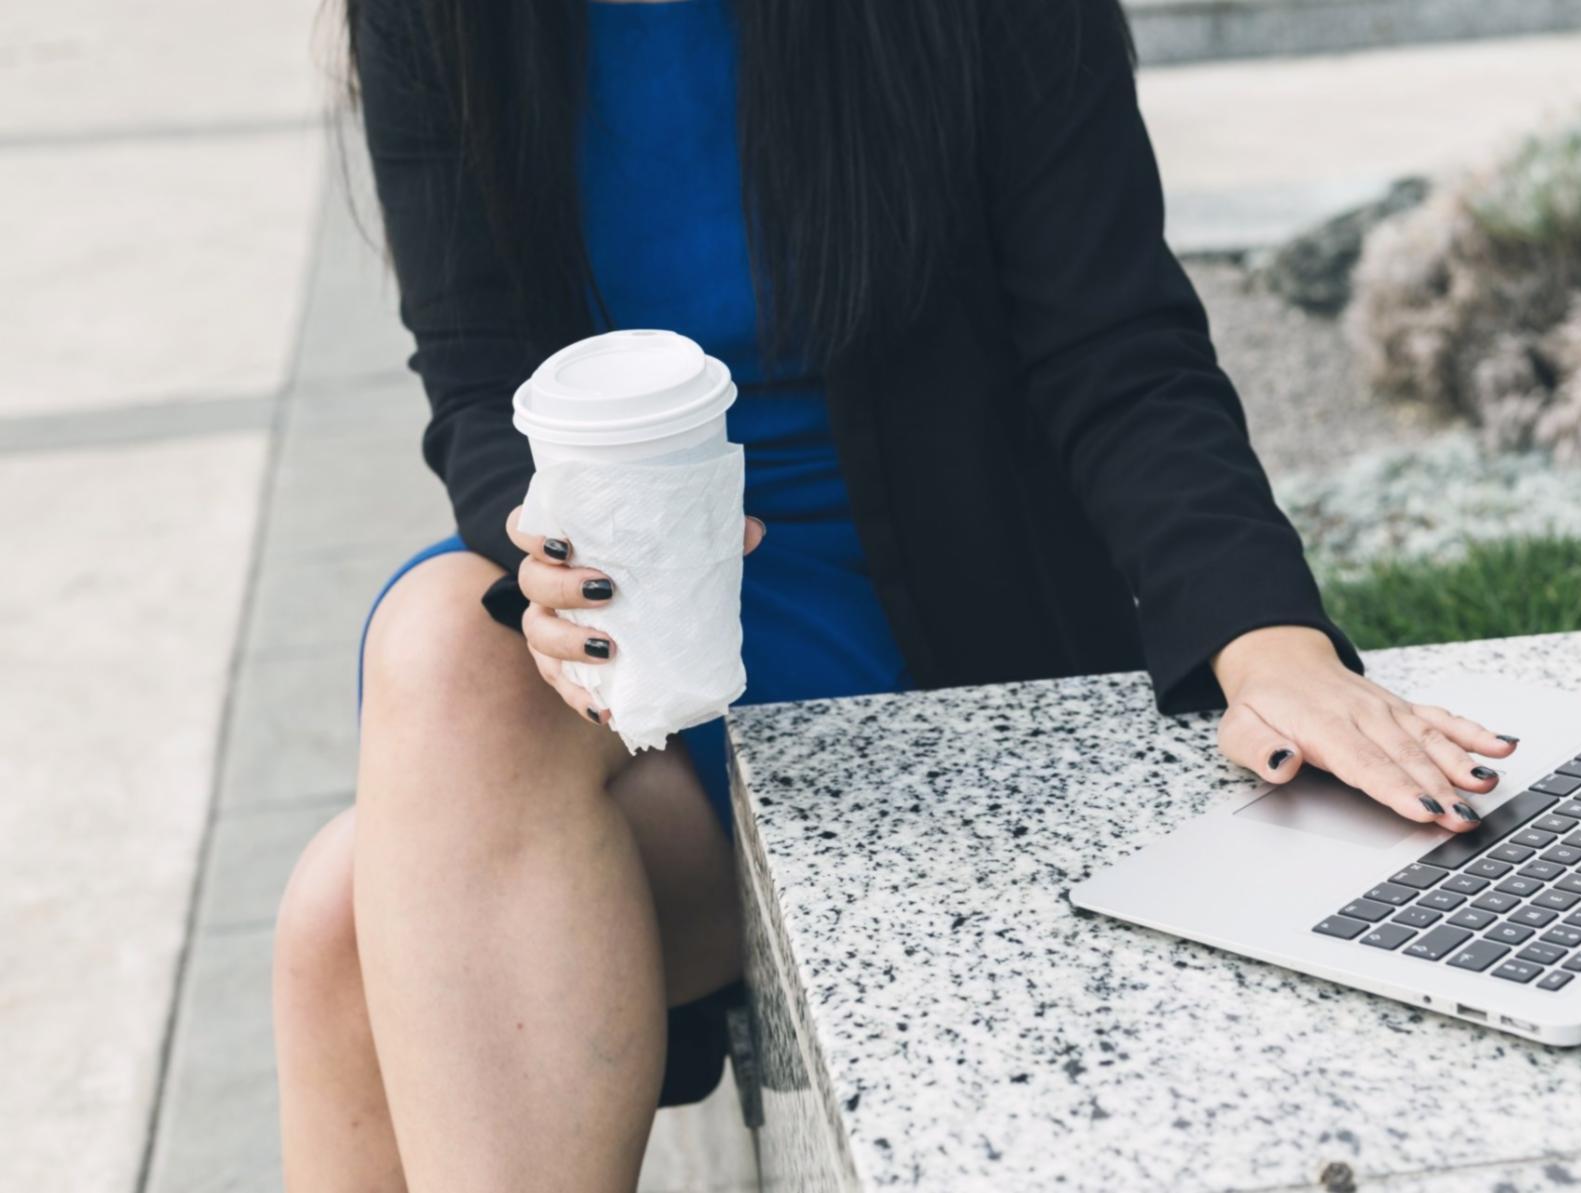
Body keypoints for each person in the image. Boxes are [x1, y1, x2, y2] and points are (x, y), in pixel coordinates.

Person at [272, 0, 1518, 1187]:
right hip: (646, 611)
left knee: (346, 910)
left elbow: (1117, 343)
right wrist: (552, 550)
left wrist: (1268, 639)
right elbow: (478, 379)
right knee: (447, 650)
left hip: (914, 610)